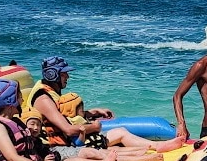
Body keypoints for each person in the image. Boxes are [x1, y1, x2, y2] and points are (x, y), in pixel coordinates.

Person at [0, 79, 156, 161]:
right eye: (18, 96)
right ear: (10, 100)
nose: (22, 99)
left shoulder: (12, 122)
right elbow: (13, 158)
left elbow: (30, 148)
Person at [26, 56, 185, 153]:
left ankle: (154, 148)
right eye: (64, 73)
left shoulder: (48, 91)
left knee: (115, 143)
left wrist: (92, 113)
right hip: (62, 145)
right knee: (120, 133)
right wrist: (94, 127)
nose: (67, 76)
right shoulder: (43, 99)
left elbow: (63, 116)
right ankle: (157, 147)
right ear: (52, 75)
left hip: (70, 140)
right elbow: (67, 128)